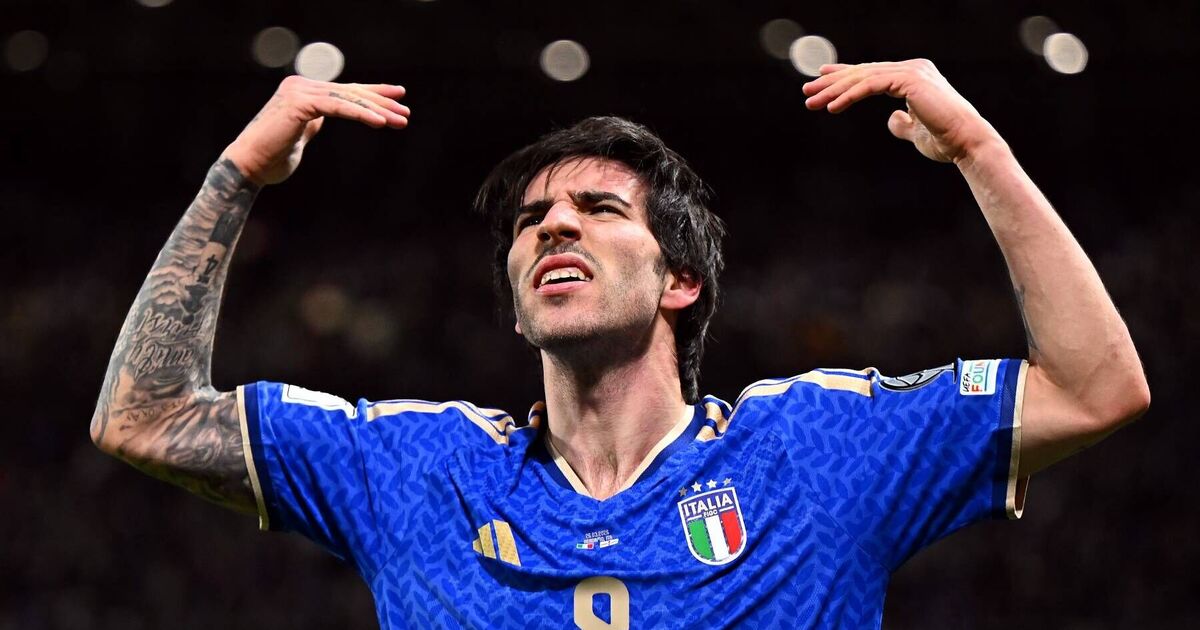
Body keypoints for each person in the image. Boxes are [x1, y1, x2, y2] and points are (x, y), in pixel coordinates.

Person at [91, 60, 1149, 628]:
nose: (553, 225)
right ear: (517, 307)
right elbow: (142, 419)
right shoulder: (416, 469)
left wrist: (977, 148)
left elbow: (1094, 388)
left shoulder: (813, 453)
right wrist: (236, 176)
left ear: (680, 281)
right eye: (530, 221)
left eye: (599, 209)